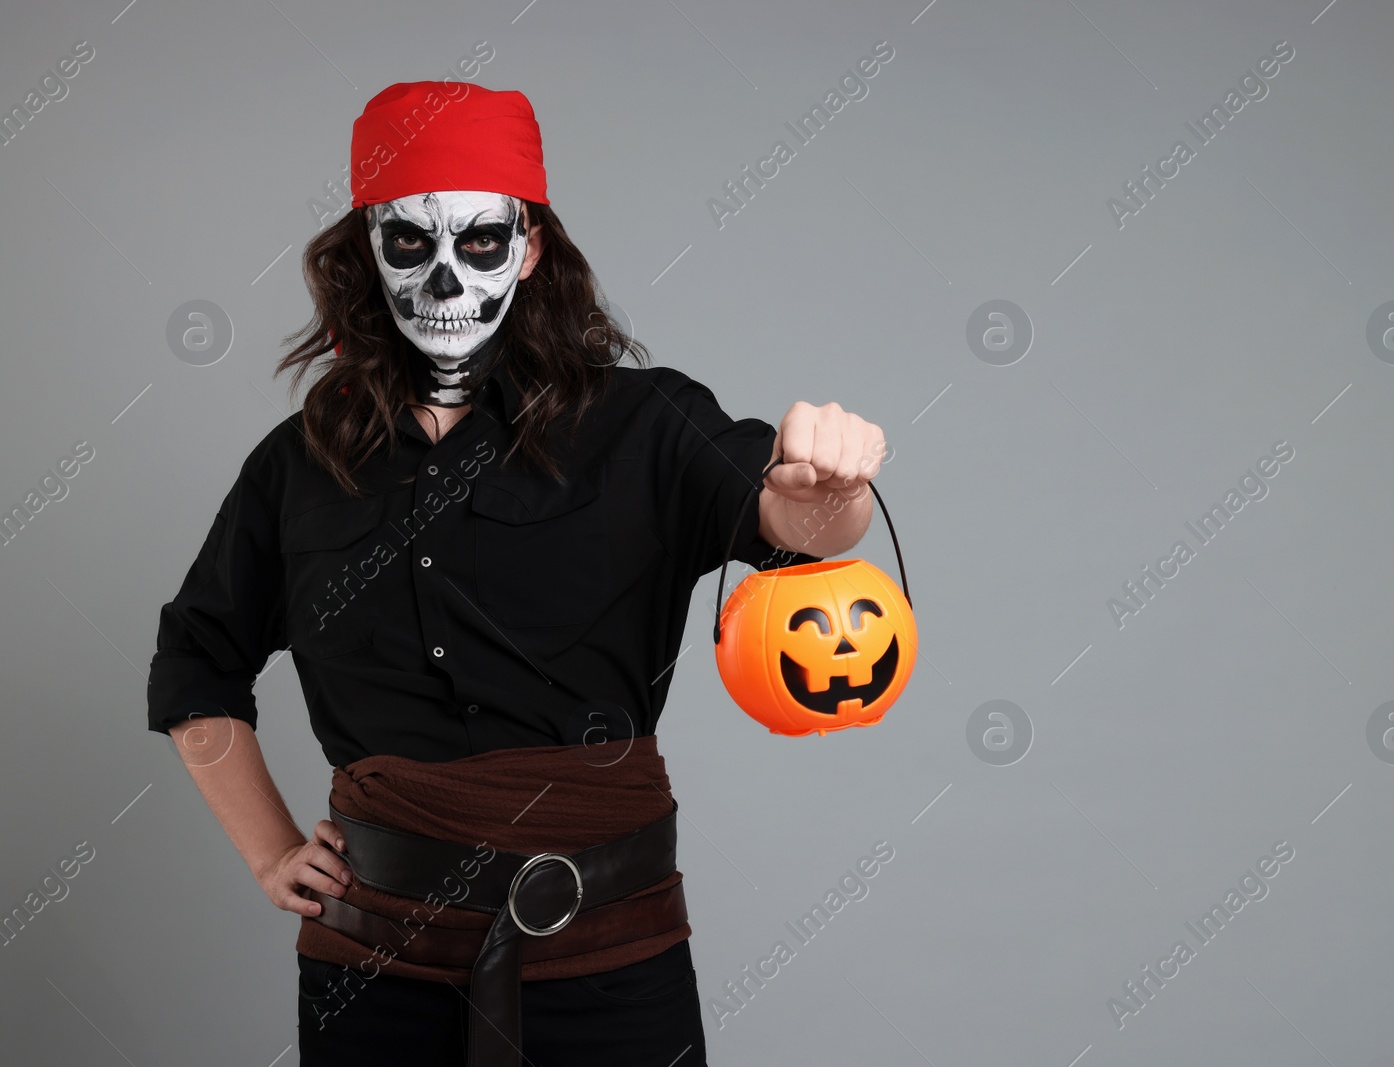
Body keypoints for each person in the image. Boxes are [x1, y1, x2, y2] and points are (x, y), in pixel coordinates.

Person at [146, 80, 886, 1067]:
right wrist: (270, 849)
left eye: (481, 241)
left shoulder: (645, 423)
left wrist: (831, 482)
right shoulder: (297, 465)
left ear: (530, 248)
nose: (446, 278)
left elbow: (793, 521)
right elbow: (197, 660)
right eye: (409, 241)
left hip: (610, 962)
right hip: (372, 974)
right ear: (367, 247)